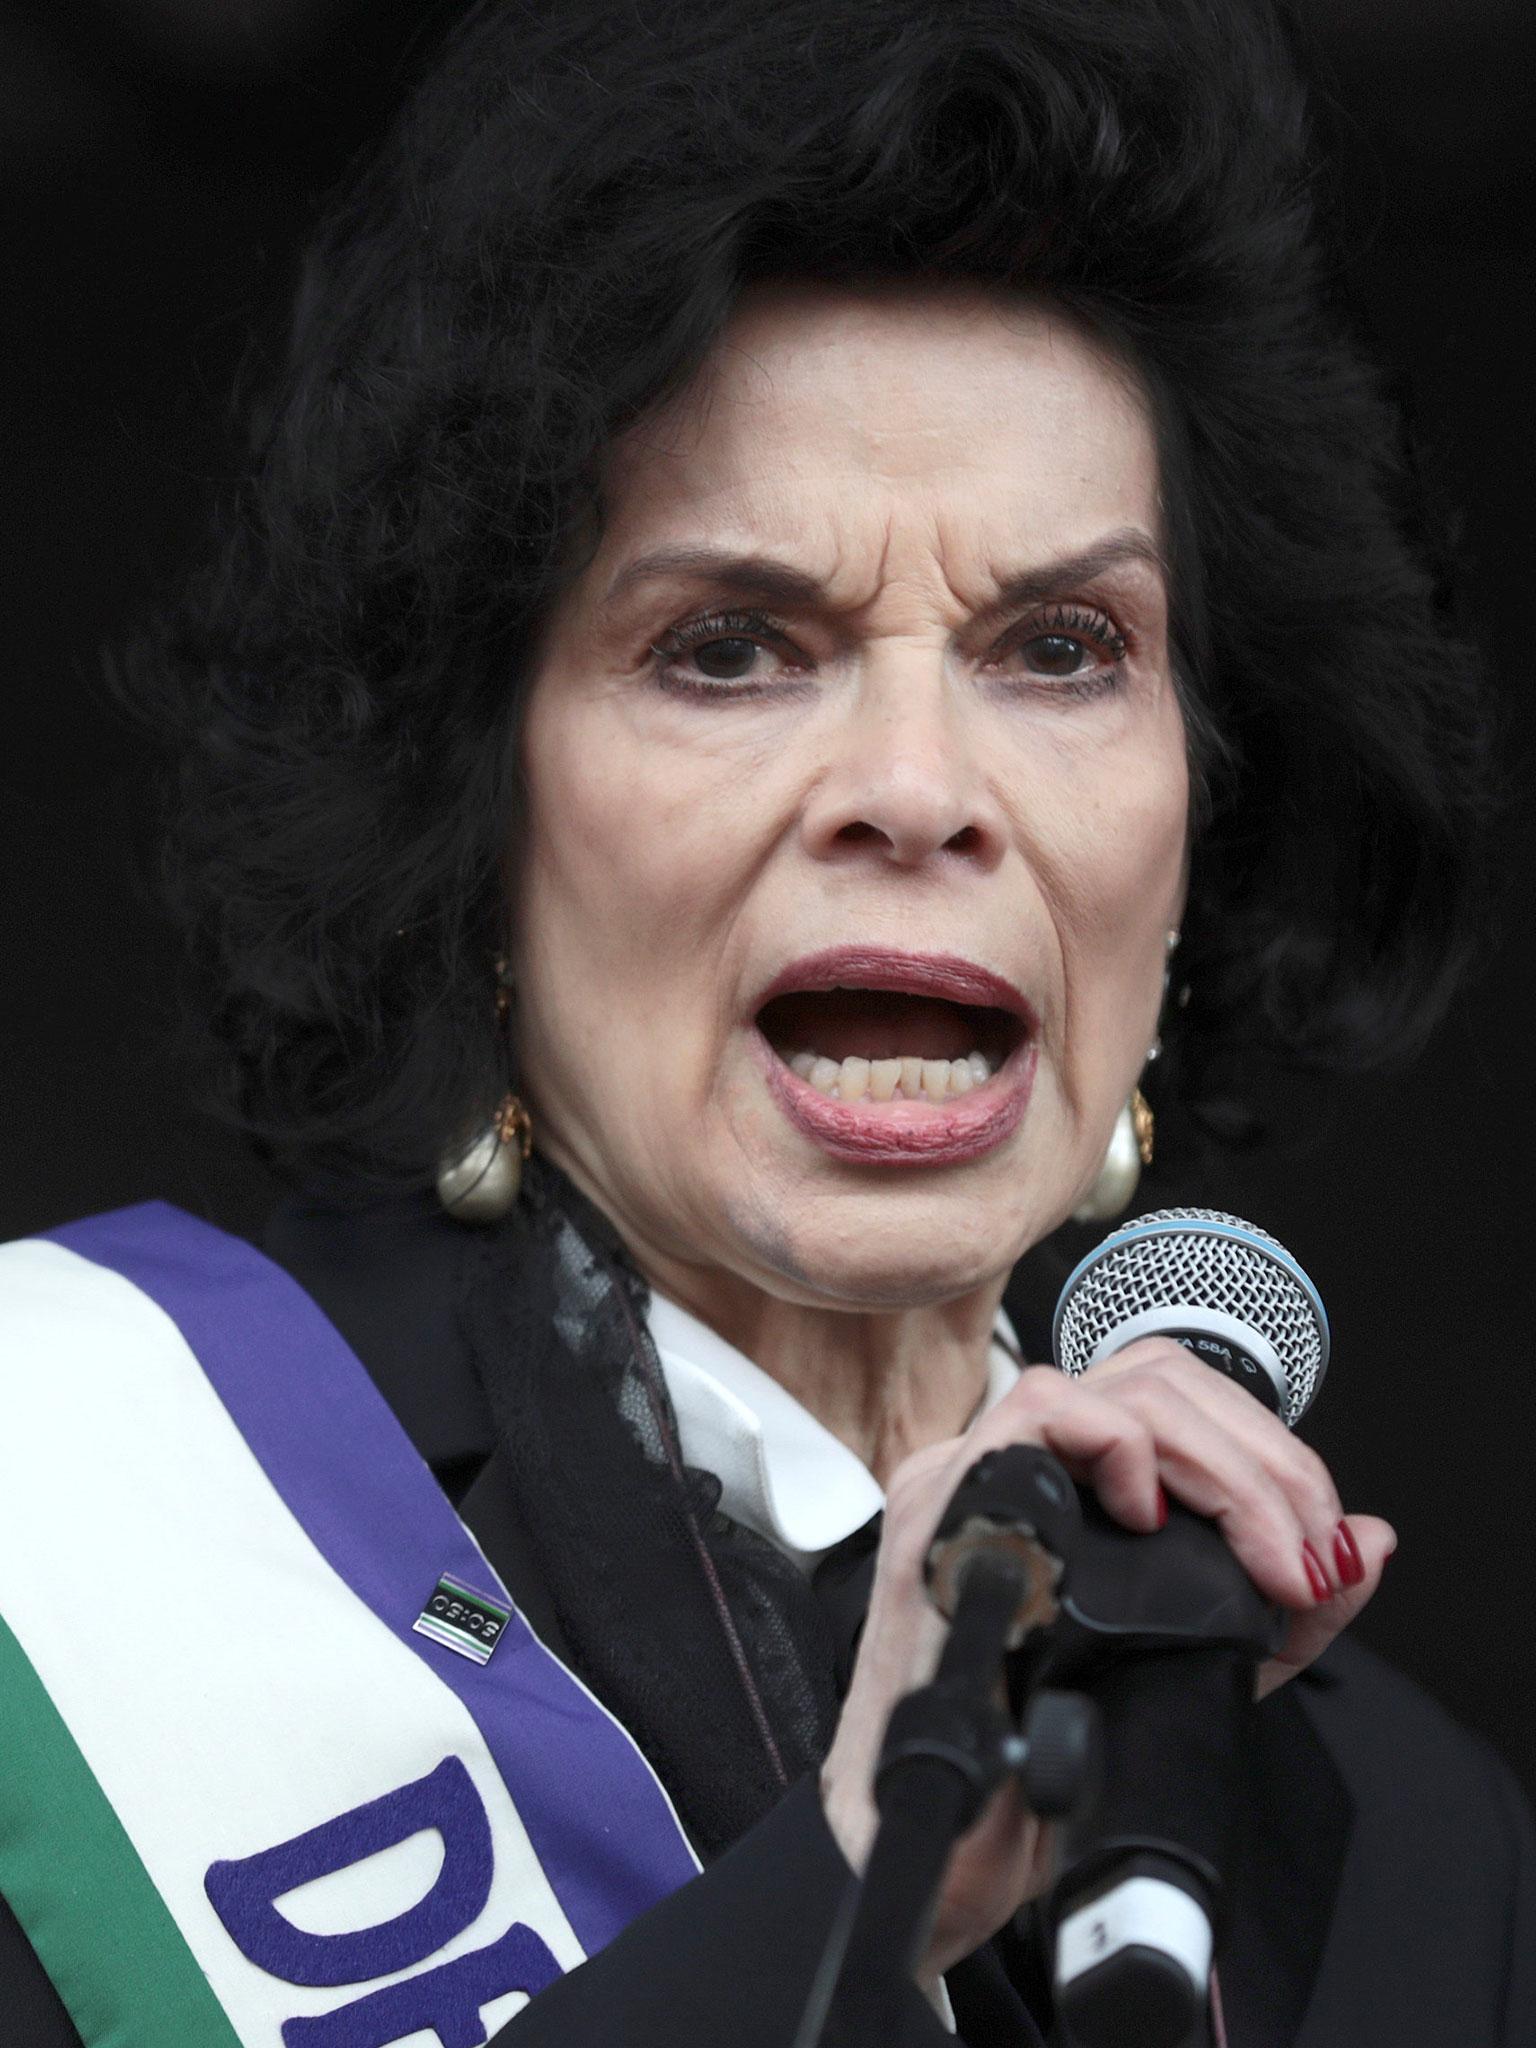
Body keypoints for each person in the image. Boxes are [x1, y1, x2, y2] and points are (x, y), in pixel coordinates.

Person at [1, 0, 1531, 2043]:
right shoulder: (72, 1516)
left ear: (1199, 823)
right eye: (730, 648)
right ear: (477, 809)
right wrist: (848, 1888)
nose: (920, 785)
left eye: (1062, 648)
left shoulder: (1409, 1835)